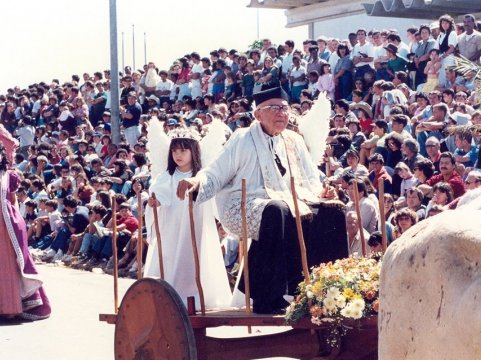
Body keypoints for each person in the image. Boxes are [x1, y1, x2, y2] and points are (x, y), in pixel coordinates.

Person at [176, 86, 348, 314]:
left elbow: (310, 180)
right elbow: (216, 171)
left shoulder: (294, 140)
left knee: (332, 212)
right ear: (258, 115)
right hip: (243, 204)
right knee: (278, 211)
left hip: (289, 202)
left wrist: (323, 194)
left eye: (285, 109)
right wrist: (197, 182)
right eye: (274, 108)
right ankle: (269, 297)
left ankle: (329, 290)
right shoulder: (242, 138)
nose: (281, 113)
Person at [144, 126, 231, 310]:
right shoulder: (167, 176)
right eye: (174, 151)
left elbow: (213, 195)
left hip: (195, 224)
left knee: (193, 258)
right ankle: (169, 296)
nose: (178, 155)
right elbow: (159, 194)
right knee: (169, 258)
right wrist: (154, 202)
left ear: (194, 151)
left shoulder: (201, 176)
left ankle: (195, 297)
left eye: (183, 150)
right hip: (171, 227)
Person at [0, 143, 51, 320]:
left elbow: (13, 201)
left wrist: (16, 225)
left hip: (6, 225)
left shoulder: (9, 176)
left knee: (9, 264)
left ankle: (11, 307)